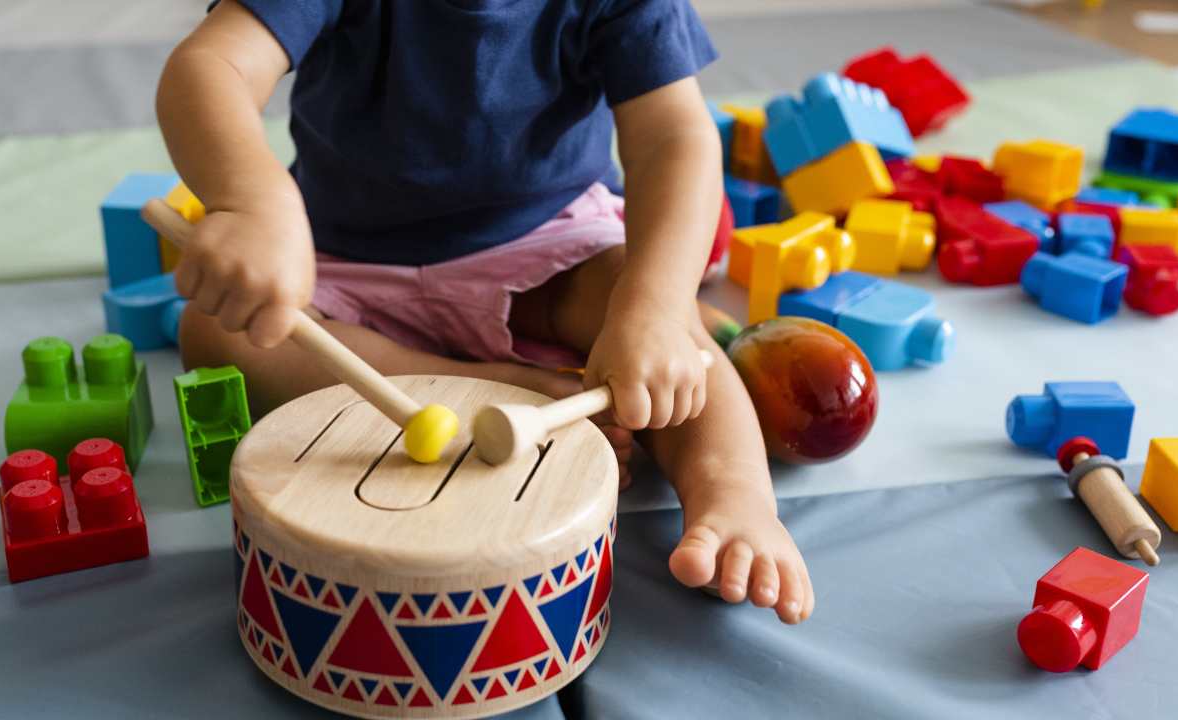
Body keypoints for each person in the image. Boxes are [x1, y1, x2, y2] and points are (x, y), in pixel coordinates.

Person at [158, 0, 813, 623]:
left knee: (661, 322)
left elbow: (672, 138)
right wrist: (254, 203)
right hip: (342, 258)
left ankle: (732, 494)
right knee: (218, 331)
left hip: (547, 241)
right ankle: (506, 388)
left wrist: (657, 308)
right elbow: (212, 65)